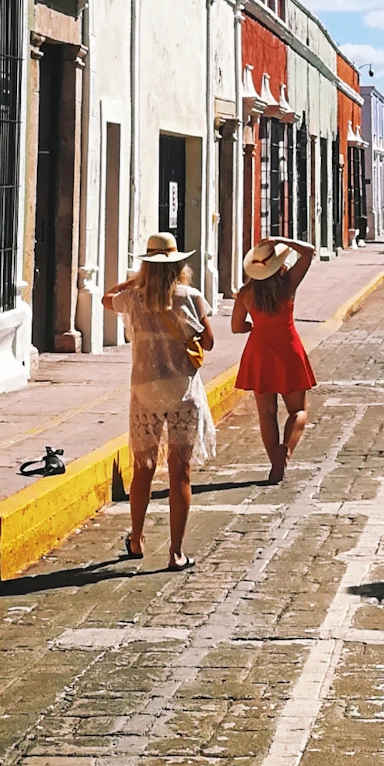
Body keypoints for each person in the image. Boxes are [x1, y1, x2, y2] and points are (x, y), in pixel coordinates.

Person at [101, 232, 214, 569]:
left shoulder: (133, 298)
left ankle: (136, 539)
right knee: (181, 474)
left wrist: (137, 279)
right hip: (183, 393)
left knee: (143, 469)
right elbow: (208, 342)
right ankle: (176, 552)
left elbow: (107, 297)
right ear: (179, 264)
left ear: (146, 265)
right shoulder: (190, 297)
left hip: (146, 392)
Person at [232, 235, 320, 482]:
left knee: (266, 414)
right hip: (288, 348)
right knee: (298, 411)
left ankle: (275, 464)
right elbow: (309, 251)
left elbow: (236, 327)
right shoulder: (288, 283)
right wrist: (282, 240)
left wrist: (253, 326)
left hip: (259, 350)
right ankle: (285, 452)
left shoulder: (245, 293)